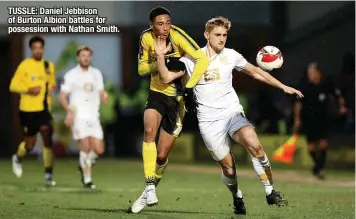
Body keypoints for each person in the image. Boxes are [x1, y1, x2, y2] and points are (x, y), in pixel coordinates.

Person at [155, 16, 304, 214]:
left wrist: (283, 87)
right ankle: (237, 197)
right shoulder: (192, 59)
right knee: (229, 169)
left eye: (225, 35)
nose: (222, 39)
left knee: (255, 144)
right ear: (207, 35)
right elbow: (165, 78)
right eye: (217, 35)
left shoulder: (231, 55)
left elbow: (256, 72)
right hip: (208, 121)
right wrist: (159, 56)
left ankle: (270, 192)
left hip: (231, 112)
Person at [130, 6, 209, 213]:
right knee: (148, 131)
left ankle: (148, 191)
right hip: (156, 94)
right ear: (151, 26)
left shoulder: (178, 36)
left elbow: (203, 59)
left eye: (167, 22)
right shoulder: (146, 39)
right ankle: (149, 185)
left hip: (177, 100)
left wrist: (190, 88)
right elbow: (141, 69)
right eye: (160, 24)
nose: (165, 27)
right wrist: (159, 59)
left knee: (162, 155)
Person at [10, 35, 56, 186]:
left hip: (43, 109)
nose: (37, 50)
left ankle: (48, 174)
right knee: (30, 144)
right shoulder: (25, 65)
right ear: (31, 49)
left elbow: (51, 84)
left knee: (47, 136)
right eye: (34, 48)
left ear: (43, 49)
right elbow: (13, 86)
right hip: (28, 110)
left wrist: (52, 88)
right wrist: (28, 89)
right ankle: (18, 157)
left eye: (40, 48)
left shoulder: (49, 66)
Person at [59, 46, 108, 189]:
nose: (85, 58)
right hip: (79, 116)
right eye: (83, 55)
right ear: (78, 57)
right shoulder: (71, 75)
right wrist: (68, 111)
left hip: (93, 115)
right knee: (85, 148)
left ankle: (83, 164)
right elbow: (63, 96)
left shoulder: (96, 73)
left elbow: (100, 90)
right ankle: (87, 179)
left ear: (90, 57)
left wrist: (103, 95)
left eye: (88, 55)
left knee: (98, 150)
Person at [293, 62, 346, 179]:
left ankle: (320, 168)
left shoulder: (326, 85)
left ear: (318, 73)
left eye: (312, 73)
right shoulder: (304, 87)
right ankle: (318, 166)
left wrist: (341, 107)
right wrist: (297, 118)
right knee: (311, 147)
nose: (310, 75)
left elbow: (338, 95)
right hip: (308, 120)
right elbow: (298, 104)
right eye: (309, 73)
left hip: (323, 119)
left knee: (323, 144)